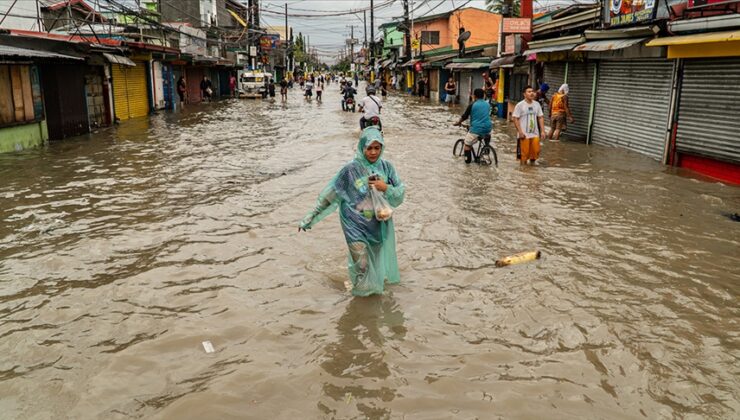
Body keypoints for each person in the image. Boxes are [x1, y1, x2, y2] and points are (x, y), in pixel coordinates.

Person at [298, 127, 405, 297]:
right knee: (362, 263)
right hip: (353, 224)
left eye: (377, 148)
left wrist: (386, 188)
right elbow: (331, 195)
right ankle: (362, 298)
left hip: (377, 224)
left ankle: (372, 293)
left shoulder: (387, 169)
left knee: (375, 262)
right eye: (369, 148)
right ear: (362, 147)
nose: (373, 152)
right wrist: (311, 217)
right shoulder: (349, 170)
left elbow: (400, 194)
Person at [453, 88, 492, 164]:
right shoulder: (487, 104)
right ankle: (486, 153)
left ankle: (467, 163)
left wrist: (458, 122)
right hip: (488, 128)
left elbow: (465, 116)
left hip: (476, 129)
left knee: (467, 144)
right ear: (483, 95)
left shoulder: (472, 104)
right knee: (486, 141)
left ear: (474, 96)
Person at [512, 85, 546, 165]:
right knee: (523, 158)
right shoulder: (520, 105)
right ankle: (523, 174)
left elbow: (540, 117)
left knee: (534, 156)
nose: (532, 93)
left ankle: (531, 175)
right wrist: (520, 132)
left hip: (535, 134)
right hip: (524, 135)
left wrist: (543, 131)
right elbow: (515, 118)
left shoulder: (537, 104)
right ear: (524, 94)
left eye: (532, 91)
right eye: (529, 92)